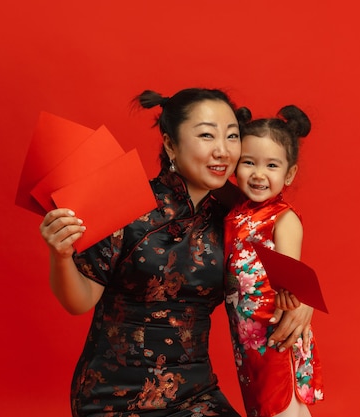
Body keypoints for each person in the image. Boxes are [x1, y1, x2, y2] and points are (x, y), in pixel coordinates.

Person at [39, 88, 312, 417]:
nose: (222, 151)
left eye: (232, 137)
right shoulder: (125, 204)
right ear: (170, 144)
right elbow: (79, 301)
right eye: (207, 136)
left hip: (196, 395)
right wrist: (61, 255)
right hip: (113, 396)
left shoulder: (231, 215)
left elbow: (277, 246)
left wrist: (302, 296)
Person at [223, 105, 324, 417]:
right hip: (247, 337)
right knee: (261, 406)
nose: (258, 174)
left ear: (289, 173)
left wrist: (294, 304)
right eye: (248, 162)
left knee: (281, 407)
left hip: (276, 331)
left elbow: (289, 276)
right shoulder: (236, 212)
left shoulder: (283, 218)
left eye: (271, 165)